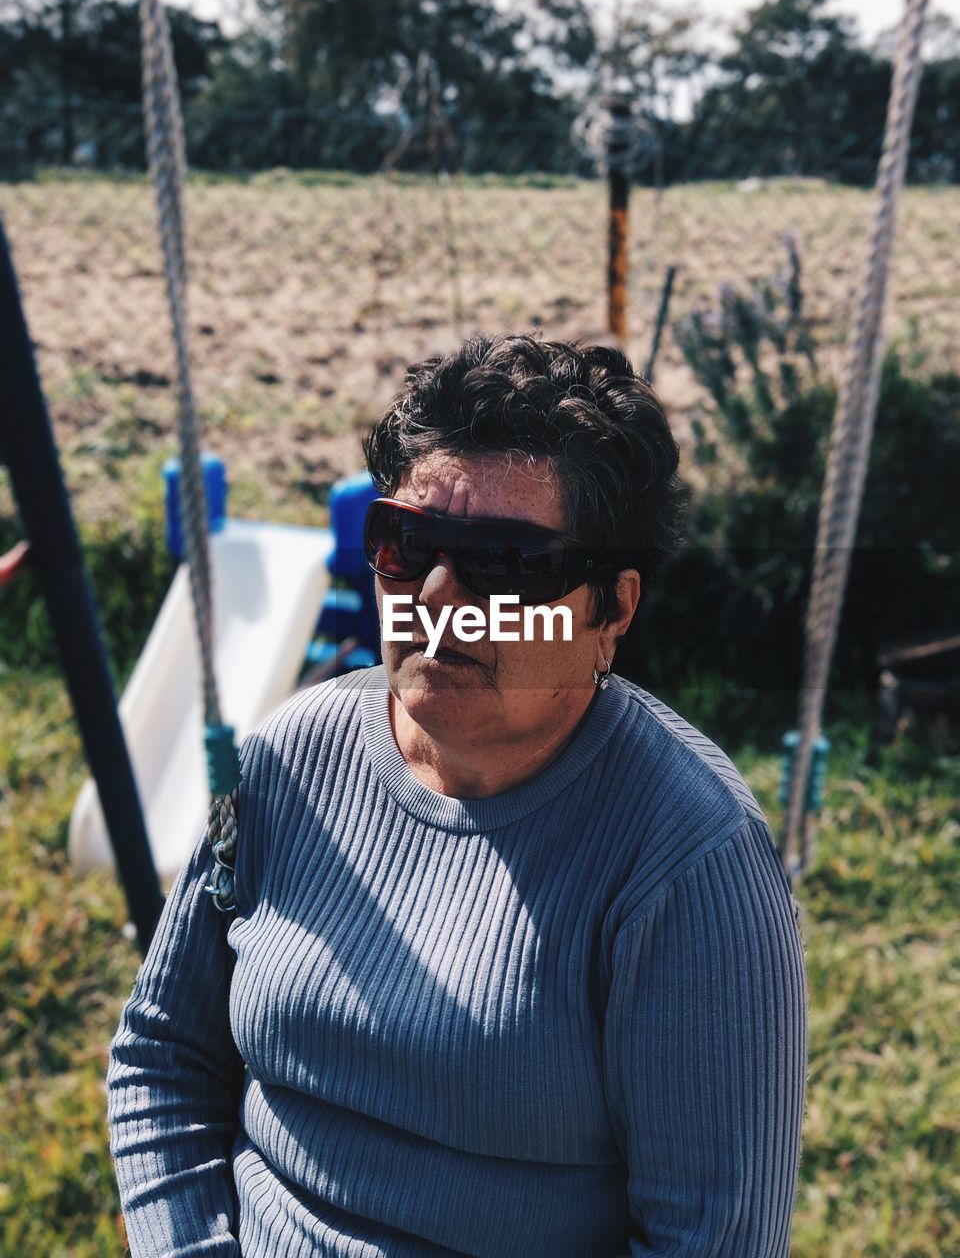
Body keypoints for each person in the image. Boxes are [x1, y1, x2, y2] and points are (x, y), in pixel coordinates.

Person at [107, 332, 808, 1257]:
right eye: (408, 544)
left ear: (614, 609)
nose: (438, 593)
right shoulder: (285, 757)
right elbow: (163, 1051)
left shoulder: (688, 864)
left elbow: (710, 1240)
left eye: (507, 562)